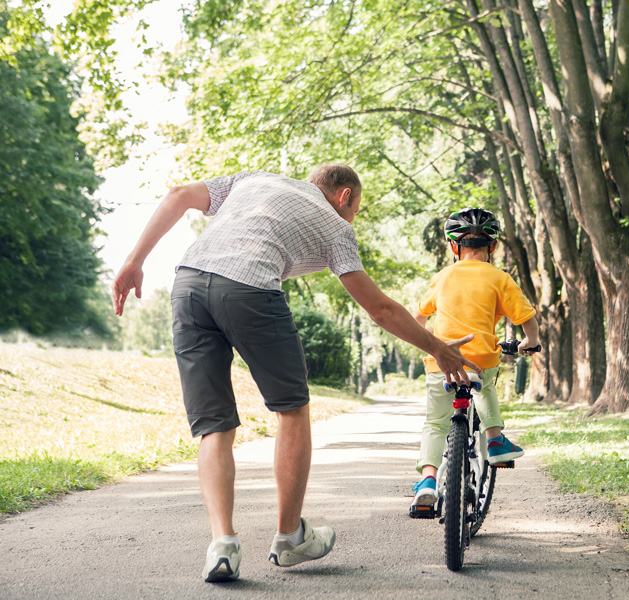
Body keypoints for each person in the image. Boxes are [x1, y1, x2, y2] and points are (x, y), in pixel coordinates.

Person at [110, 165, 480, 582]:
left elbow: (177, 194)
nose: (352, 218)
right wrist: (438, 349)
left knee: (213, 426)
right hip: (249, 289)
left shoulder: (254, 179)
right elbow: (380, 309)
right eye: (356, 209)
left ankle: (223, 545)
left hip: (189, 285)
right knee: (292, 409)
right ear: (344, 197)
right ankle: (289, 538)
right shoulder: (336, 226)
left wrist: (133, 260)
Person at [410, 207, 539, 512]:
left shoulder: (443, 276)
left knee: (435, 423)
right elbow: (526, 318)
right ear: (493, 246)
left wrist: (428, 344)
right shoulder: (499, 277)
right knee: (486, 387)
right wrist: (529, 342)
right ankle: (494, 439)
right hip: (481, 356)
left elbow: (418, 317)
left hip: (441, 359)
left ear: (453, 247)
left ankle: (428, 480)